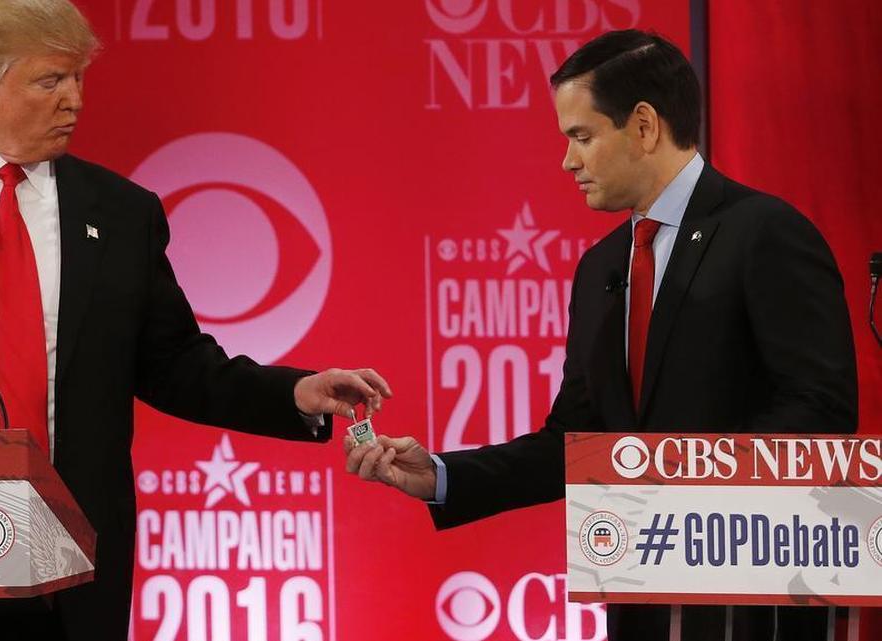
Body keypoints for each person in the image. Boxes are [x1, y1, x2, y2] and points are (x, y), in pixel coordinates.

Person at [0, 0, 391, 639]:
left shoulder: (121, 213)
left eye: (78, 79)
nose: (75, 101)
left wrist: (293, 393)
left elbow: (175, 364)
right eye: (50, 81)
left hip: (65, 556)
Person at [344, 29, 856, 641]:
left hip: (749, 603)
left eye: (582, 137)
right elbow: (578, 440)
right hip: (639, 598)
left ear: (643, 126)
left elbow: (820, 408)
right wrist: (443, 476)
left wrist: (671, 485)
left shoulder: (765, 232)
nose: (567, 161)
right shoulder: (601, 267)